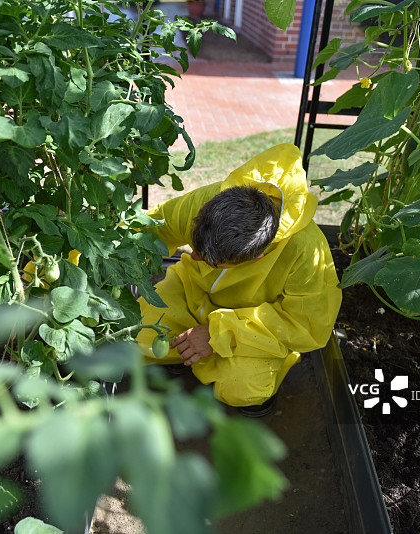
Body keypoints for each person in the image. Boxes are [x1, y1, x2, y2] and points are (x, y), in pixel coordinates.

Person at [137, 143, 342, 417]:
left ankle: (198, 355)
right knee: (141, 336)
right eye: (195, 249)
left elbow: (307, 326)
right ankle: (189, 354)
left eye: (208, 260)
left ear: (254, 258)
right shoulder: (210, 201)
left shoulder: (306, 250)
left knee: (244, 388)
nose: (195, 257)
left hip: (248, 327)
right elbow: (154, 227)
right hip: (191, 293)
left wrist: (218, 333)